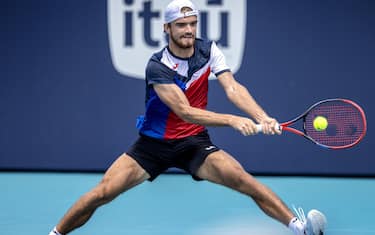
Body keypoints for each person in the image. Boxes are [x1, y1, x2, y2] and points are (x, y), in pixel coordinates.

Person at [49, 0, 327, 234]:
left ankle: (298, 228)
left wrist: (262, 117)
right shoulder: (158, 66)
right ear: (166, 28)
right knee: (103, 193)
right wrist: (232, 120)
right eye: (181, 25)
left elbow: (232, 87)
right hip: (152, 146)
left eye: (193, 23)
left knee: (244, 180)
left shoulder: (209, 51)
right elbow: (185, 111)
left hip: (194, 143)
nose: (189, 30)